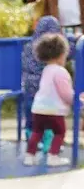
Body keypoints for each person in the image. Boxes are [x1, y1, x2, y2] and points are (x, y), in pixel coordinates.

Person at [24, 32, 74, 167]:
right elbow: (65, 93)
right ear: (61, 55)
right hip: (54, 110)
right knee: (60, 132)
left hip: (39, 109)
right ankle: (53, 156)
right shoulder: (61, 72)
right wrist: (75, 101)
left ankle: (29, 156)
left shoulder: (46, 69)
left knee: (36, 132)